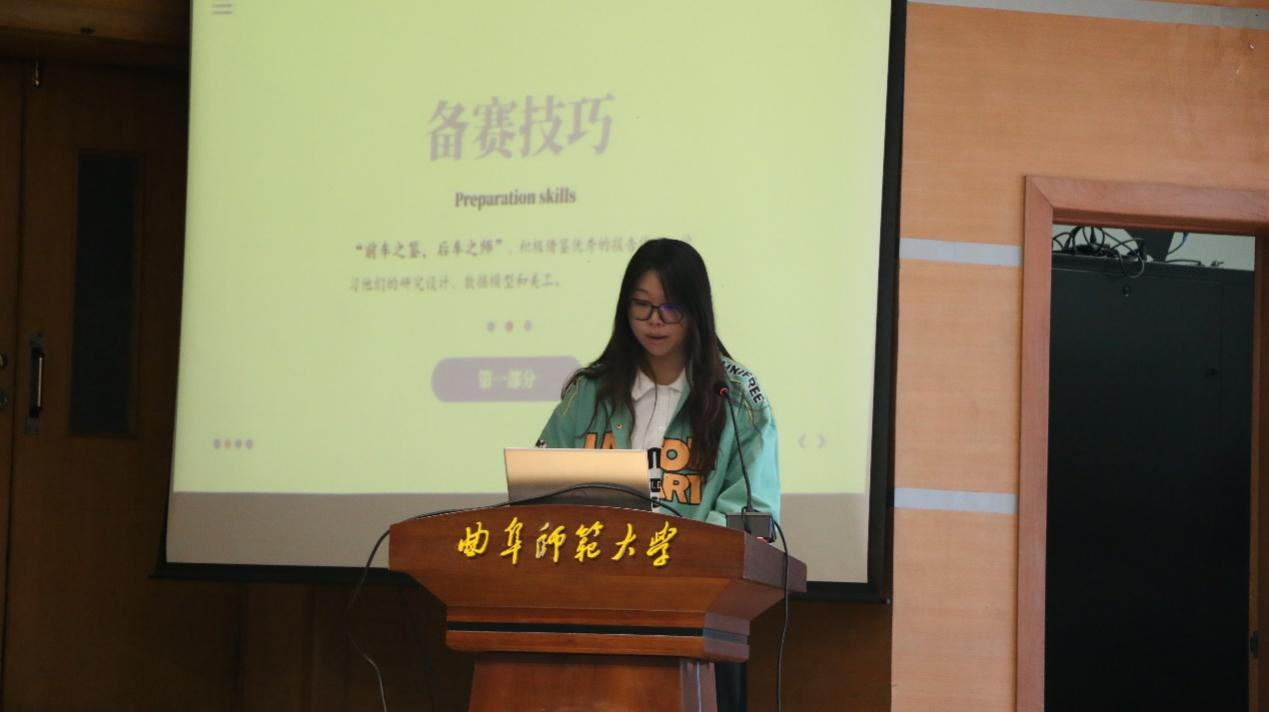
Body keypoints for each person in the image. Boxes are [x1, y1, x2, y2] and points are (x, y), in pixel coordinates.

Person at [536, 237, 779, 711]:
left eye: (670, 308)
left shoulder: (737, 397)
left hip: (698, 615)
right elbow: (540, 493)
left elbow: (755, 518)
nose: (654, 321)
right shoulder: (588, 392)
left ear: (696, 311)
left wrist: (667, 545)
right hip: (590, 608)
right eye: (641, 305)